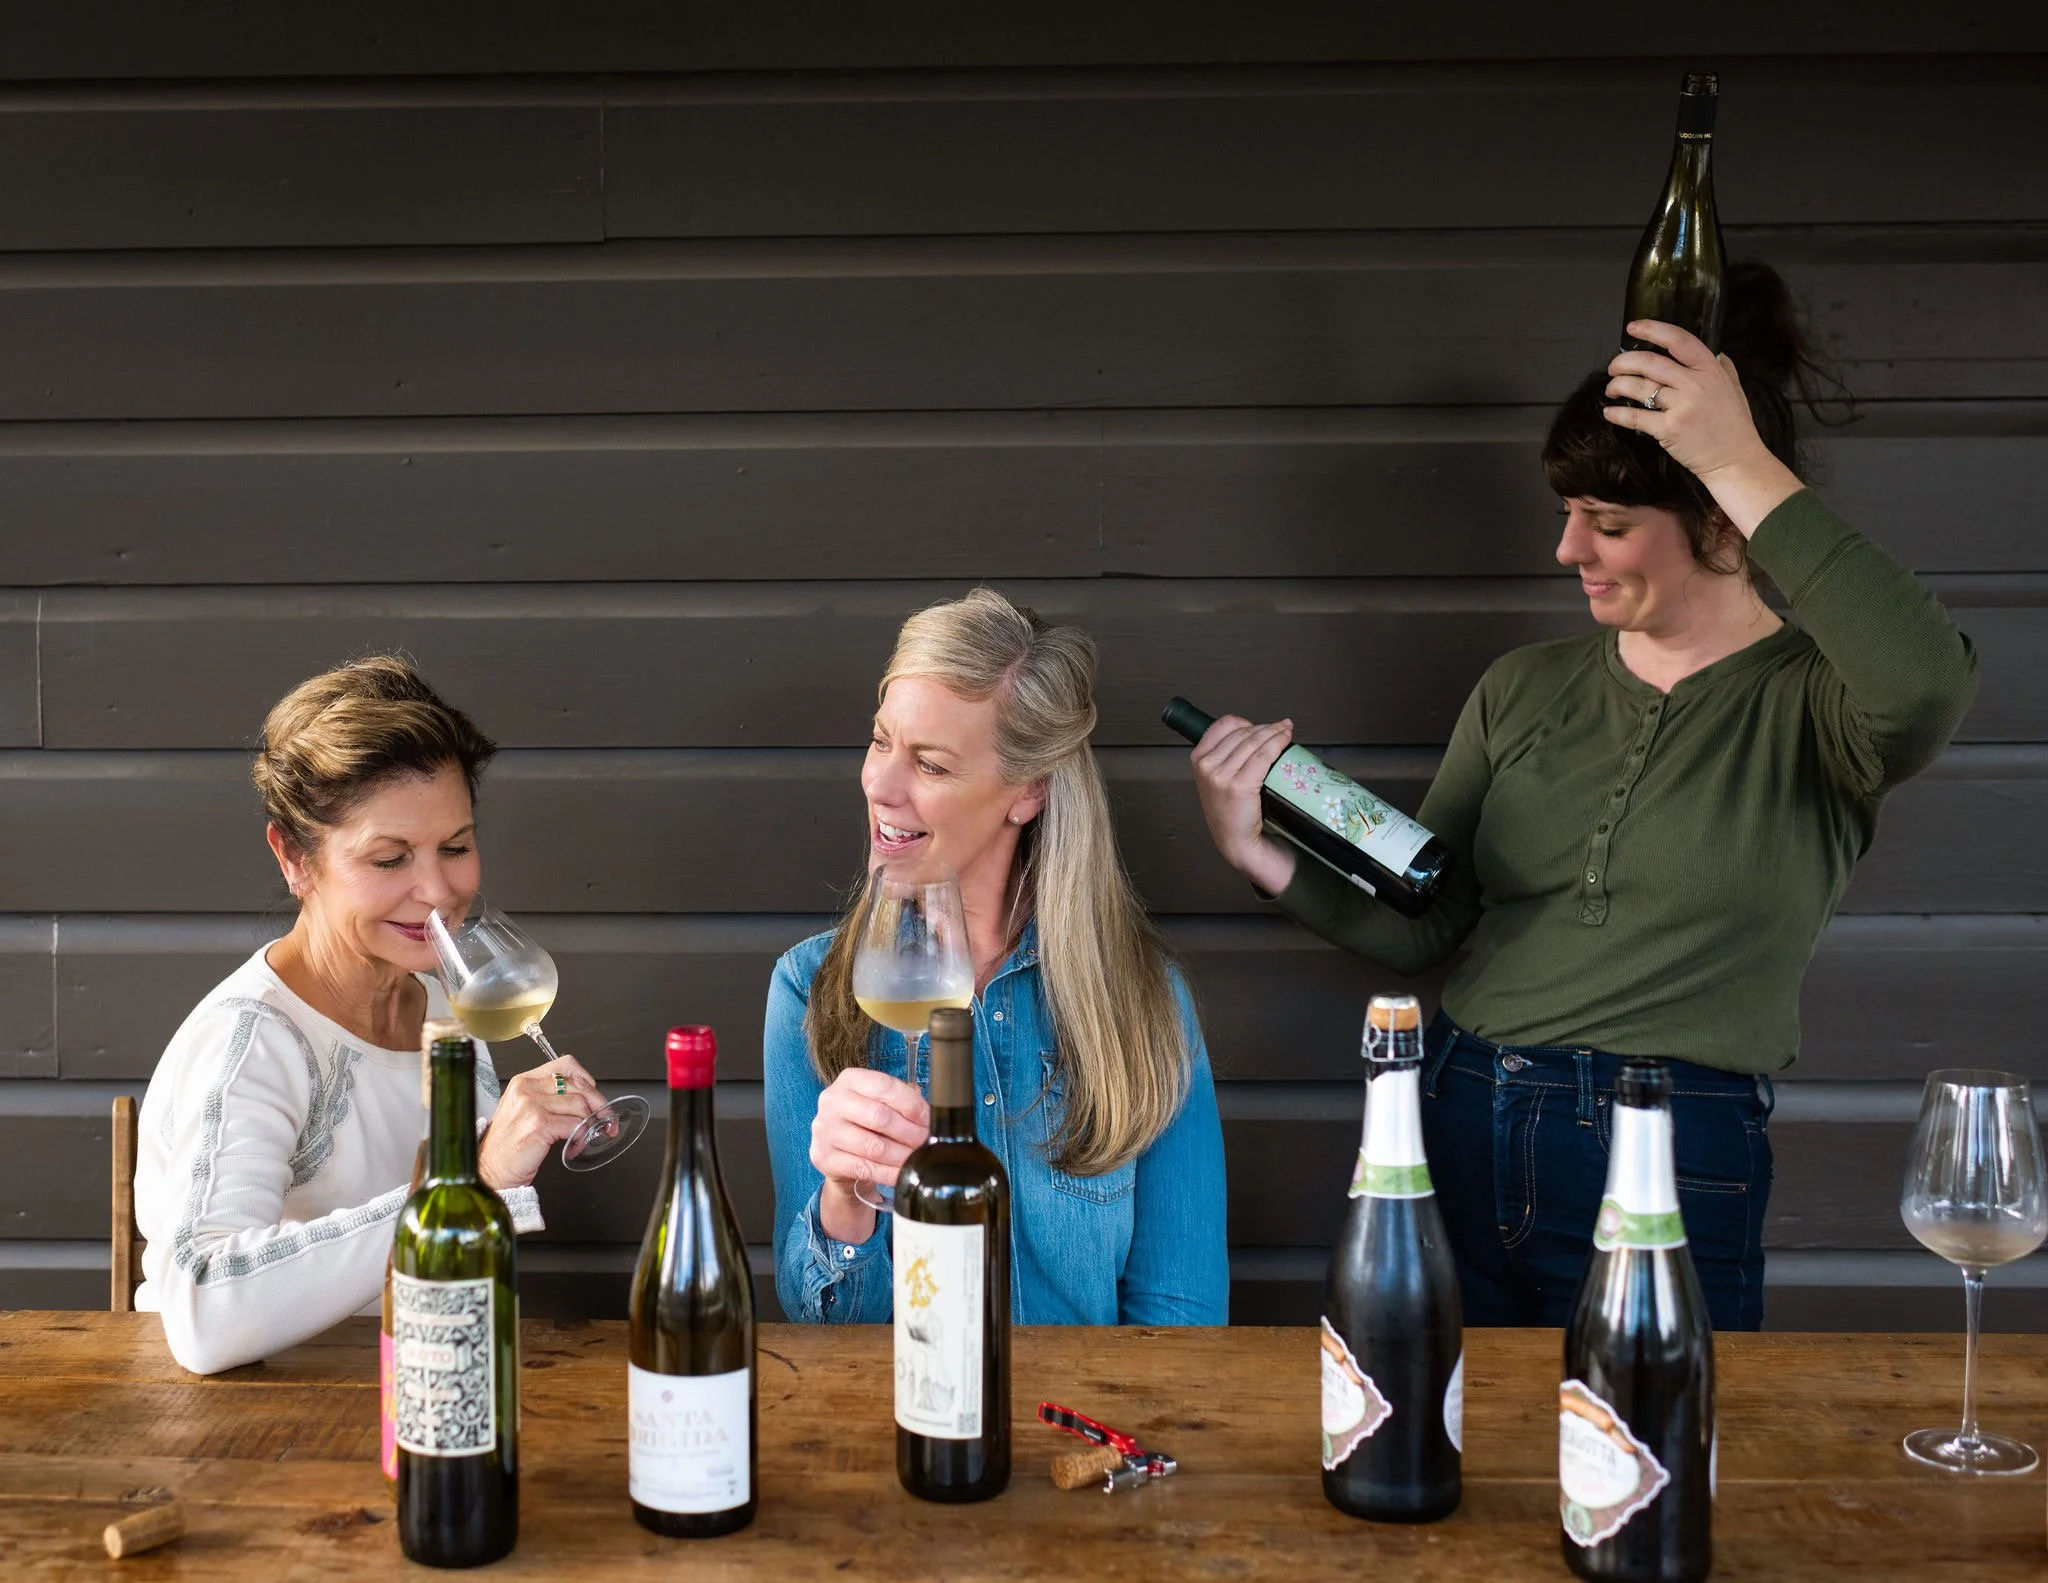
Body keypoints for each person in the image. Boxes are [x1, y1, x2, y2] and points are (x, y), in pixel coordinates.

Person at [1186, 264, 1978, 1331]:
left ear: (1719, 523)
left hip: (1666, 1143)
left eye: (1605, 520)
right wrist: (1258, 850)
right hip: (1459, 1111)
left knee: (1653, 1453)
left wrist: (1733, 455)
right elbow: (1434, 927)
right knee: (1451, 1435)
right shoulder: (1524, 687)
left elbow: (1926, 674)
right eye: (1566, 513)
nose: (1567, 549)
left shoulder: (1819, 710)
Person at [134, 657, 611, 1373]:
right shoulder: (253, 1040)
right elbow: (203, 1314)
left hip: (407, 1392)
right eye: (389, 858)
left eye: (456, 846)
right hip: (254, 1435)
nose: (438, 889)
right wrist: (471, 1182)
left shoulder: (447, 1004)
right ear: (295, 857)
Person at [765, 589, 1229, 1324]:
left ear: (1029, 790)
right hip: (903, 1429)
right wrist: (844, 1198)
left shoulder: (1142, 1000)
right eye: (880, 740)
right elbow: (824, 1327)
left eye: (933, 765)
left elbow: (1184, 1313)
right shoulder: (811, 987)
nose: (879, 785)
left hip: (1082, 1434)